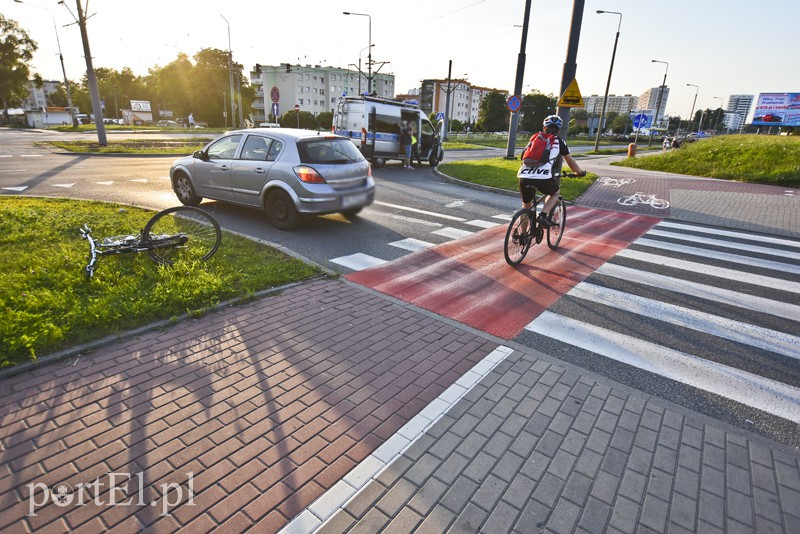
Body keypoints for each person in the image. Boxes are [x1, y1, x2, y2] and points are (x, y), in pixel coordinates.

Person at [516, 115, 585, 231]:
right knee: (555, 193)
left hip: (524, 174)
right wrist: (579, 172)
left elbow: (524, 156)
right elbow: (570, 161)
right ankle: (543, 216)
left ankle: (522, 235)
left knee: (526, 206)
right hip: (543, 177)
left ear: (544, 128)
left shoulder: (534, 138)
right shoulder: (559, 141)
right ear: (558, 130)